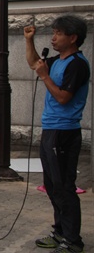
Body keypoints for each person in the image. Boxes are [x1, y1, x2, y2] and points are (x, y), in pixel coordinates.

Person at [25, 16, 88, 253]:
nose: (53, 38)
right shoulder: (57, 60)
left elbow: (63, 97)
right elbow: (34, 63)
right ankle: (60, 232)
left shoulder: (77, 64)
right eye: (53, 33)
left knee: (64, 187)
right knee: (52, 185)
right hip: (50, 129)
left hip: (64, 132)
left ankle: (73, 240)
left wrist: (44, 76)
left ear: (72, 38)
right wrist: (29, 41)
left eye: (58, 33)